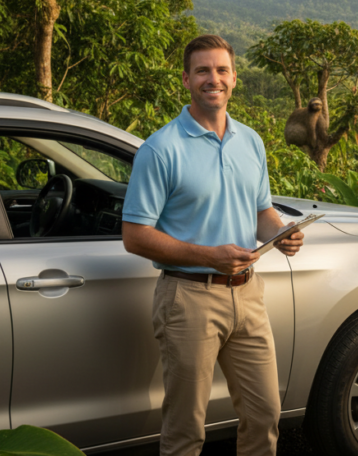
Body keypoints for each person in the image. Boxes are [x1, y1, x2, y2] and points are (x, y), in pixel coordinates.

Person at [121, 34, 304, 456]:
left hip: (248, 295)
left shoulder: (251, 141)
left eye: (221, 70)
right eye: (203, 70)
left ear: (234, 79)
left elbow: (261, 212)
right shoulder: (161, 149)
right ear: (186, 79)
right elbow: (134, 236)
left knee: (265, 415)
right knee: (186, 430)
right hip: (188, 298)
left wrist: (282, 232)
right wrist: (210, 256)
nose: (213, 79)